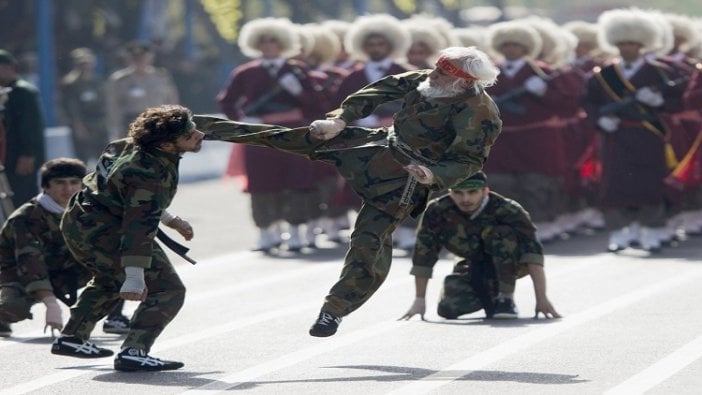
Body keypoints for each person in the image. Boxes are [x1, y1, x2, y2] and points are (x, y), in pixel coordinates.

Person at [195, 46, 503, 337]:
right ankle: (193, 127)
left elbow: (469, 159)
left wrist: (434, 174)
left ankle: (334, 310)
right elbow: (378, 91)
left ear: (463, 82)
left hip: (407, 178)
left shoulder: (480, 112)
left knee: (368, 242)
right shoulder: (425, 79)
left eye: (442, 73)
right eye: (435, 68)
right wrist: (340, 120)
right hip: (377, 145)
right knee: (289, 138)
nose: (432, 75)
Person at [50, 105, 201, 372]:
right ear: (167, 145)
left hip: (80, 221)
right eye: (189, 134)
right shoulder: (149, 173)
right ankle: (134, 350)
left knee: (110, 278)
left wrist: (170, 220)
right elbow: (138, 225)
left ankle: (72, 337)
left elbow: (129, 197)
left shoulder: (128, 145)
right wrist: (135, 274)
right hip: (105, 230)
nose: (198, 134)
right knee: (168, 289)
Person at [582, 9, 685, 252]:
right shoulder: (602, 75)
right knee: (614, 183)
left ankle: (651, 229)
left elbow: (680, 101)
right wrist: (599, 121)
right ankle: (619, 231)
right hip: (615, 135)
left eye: (633, 43)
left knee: (650, 182)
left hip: (648, 134)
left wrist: (658, 102)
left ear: (643, 44)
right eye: (622, 43)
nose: (627, 48)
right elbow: (588, 102)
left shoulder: (660, 71)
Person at [399, 171, 560, 321]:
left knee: (502, 234)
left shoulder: (509, 210)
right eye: (458, 193)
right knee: (448, 308)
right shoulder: (437, 211)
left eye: (472, 192)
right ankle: (491, 293)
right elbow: (423, 255)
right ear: (450, 192)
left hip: (513, 263)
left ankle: (506, 298)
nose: (465, 199)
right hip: (471, 264)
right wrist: (419, 300)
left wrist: (542, 299)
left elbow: (533, 255)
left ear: (485, 191)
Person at [0, 158, 130, 337]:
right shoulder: (26, 218)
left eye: (74, 182)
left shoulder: (88, 210)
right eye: (60, 183)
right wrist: (51, 305)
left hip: (67, 269)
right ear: (46, 186)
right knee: (13, 307)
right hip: (19, 275)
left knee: (120, 261)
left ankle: (114, 317)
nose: (68, 189)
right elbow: (30, 263)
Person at [105, 41, 179, 141]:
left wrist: (173, 123)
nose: (140, 61)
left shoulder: (161, 77)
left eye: (143, 58)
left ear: (150, 58)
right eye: (135, 58)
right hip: (132, 124)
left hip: (158, 123)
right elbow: (113, 106)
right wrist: (117, 127)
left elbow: (172, 100)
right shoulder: (120, 80)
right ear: (128, 59)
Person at [0, 49, 45, 207]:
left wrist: (28, 154)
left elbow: (30, 126)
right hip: (7, 157)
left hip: (20, 157)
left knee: (23, 201)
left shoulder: (23, 92)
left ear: (9, 68)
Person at [60, 48, 109, 166]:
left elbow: (105, 104)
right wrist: (78, 126)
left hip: (99, 123)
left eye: (88, 63)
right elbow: (70, 107)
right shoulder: (70, 83)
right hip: (82, 123)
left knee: (104, 157)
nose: (86, 66)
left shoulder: (98, 81)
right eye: (82, 63)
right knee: (83, 159)